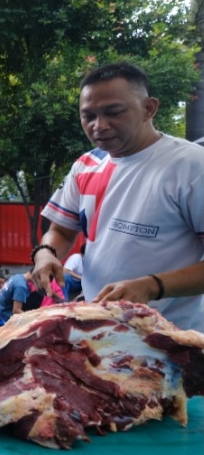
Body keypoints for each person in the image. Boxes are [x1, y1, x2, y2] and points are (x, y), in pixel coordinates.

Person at [32, 62, 204, 332]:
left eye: (113, 112)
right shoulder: (86, 165)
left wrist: (151, 286)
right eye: (88, 115)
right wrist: (46, 254)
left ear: (149, 108)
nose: (99, 126)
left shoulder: (191, 166)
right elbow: (61, 232)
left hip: (173, 338)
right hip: (100, 334)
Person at [0, 269, 64, 323]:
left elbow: (45, 291)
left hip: (2, 308)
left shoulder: (18, 277)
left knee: (39, 293)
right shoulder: (21, 286)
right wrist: (35, 319)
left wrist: (61, 300)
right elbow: (16, 311)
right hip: (6, 314)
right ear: (36, 277)